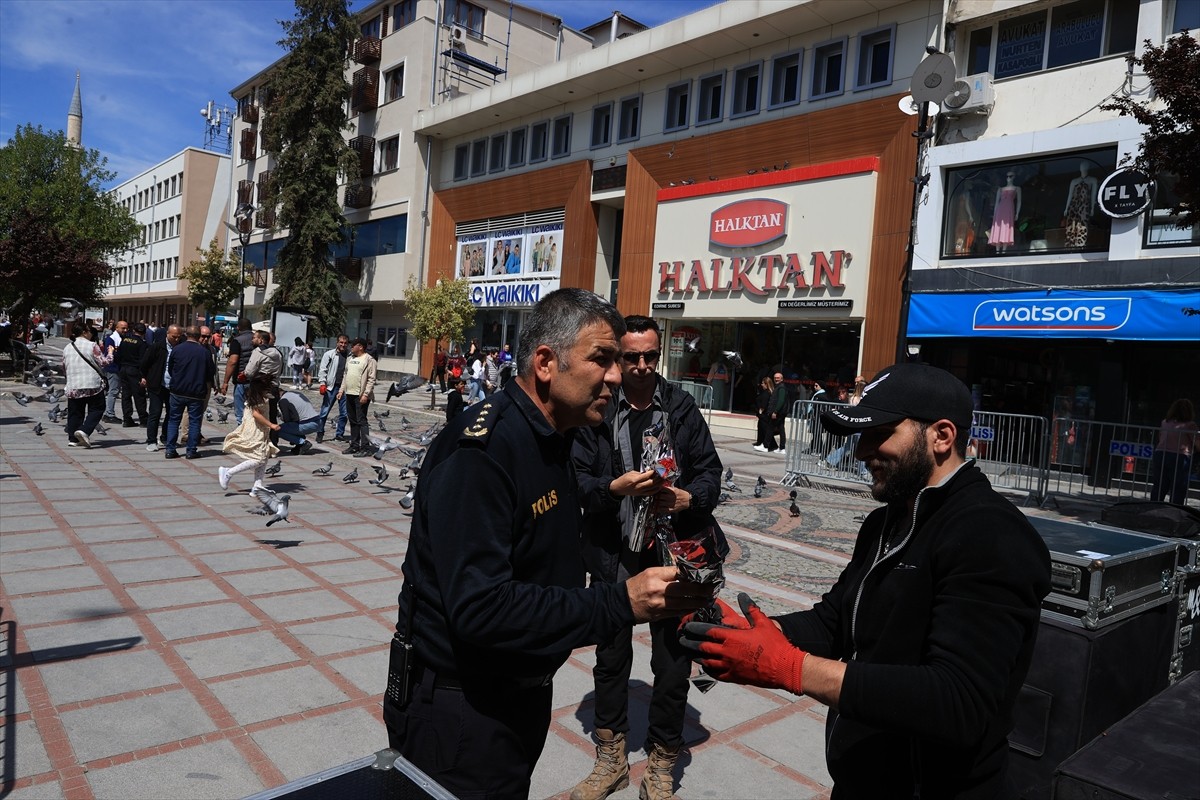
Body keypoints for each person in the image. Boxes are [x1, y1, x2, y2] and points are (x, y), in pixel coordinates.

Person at [384, 289, 714, 799]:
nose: (616, 375)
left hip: (514, 695)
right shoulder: (486, 452)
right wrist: (619, 602)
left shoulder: (554, 435)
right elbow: (482, 608)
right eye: (602, 359)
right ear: (545, 363)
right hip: (459, 707)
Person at [682, 363, 1051, 799]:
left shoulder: (991, 535)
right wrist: (760, 634)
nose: (861, 451)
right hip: (862, 779)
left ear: (942, 436)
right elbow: (838, 620)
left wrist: (789, 667)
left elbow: (959, 701)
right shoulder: (884, 521)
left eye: (880, 434)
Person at [570, 315, 725, 800]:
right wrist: (609, 489)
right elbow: (576, 477)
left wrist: (687, 499)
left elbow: (709, 473)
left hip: (670, 553)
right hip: (615, 552)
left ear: (659, 356)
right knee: (610, 658)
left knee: (673, 661)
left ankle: (662, 760)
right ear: (618, 357)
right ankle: (611, 757)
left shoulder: (680, 408)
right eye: (629, 356)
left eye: (649, 356)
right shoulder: (600, 408)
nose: (640, 366)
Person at [219, 375, 280, 497]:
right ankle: (228, 472)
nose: (267, 391)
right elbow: (256, 415)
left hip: (262, 430)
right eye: (265, 389)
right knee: (259, 459)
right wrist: (271, 425)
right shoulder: (256, 399)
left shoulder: (262, 397)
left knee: (264, 456)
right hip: (255, 430)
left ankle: (257, 486)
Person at [163, 327, 216, 460]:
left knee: (174, 420)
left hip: (178, 390)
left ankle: (170, 449)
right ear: (198, 336)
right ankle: (191, 450)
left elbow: (170, 368)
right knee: (194, 422)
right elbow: (211, 372)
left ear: (186, 335)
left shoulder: (177, 349)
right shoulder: (204, 352)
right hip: (196, 392)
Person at [62, 322, 111, 448]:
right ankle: (84, 430)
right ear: (84, 332)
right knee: (98, 408)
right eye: (89, 331)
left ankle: (73, 438)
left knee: (75, 412)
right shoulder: (91, 345)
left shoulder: (68, 347)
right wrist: (110, 352)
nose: (90, 334)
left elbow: (64, 367)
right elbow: (104, 362)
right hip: (91, 384)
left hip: (73, 384)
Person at [140, 324, 183, 452]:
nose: (176, 339)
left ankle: (165, 437)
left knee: (171, 414)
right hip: (157, 385)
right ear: (167, 334)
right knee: (155, 413)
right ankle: (151, 440)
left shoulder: (181, 347)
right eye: (174, 336)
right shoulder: (157, 347)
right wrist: (144, 377)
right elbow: (144, 363)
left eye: (178, 337)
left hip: (173, 386)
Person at [1149, 398, 1197, 504]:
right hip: (1179, 456)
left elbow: (1160, 436)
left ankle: (1152, 508)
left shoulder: (1164, 422)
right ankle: (1174, 510)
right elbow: (1197, 442)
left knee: (1159, 485)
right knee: (1178, 487)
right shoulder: (1190, 425)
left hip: (1160, 453)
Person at [337, 338, 377, 456]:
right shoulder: (350, 358)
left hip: (361, 395)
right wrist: (341, 390)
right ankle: (354, 445)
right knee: (353, 420)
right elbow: (345, 375)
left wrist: (366, 394)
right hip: (349, 393)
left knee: (361, 421)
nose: (351, 347)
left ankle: (365, 447)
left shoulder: (369, 360)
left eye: (353, 345)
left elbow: (371, 378)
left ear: (360, 347)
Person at [220, 319, 255, 424]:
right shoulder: (258, 339)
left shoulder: (237, 340)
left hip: (242, 380)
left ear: (238, 328)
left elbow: (233, 361)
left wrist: (225, 382)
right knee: (254, 412)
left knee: (241, 414)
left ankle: (242, 436)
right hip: (256, 380)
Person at [316, 335, 350, 443]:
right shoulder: (330, 354)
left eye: (345, 343)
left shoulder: (350, 356)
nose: (343, 345)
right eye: (341, 342)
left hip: (345, 388)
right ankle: (320, 432)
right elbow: (323, 369)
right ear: (337, 342)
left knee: (344, 413)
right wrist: (322, 383)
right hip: (331, 386)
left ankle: (339, 433)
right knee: (324, 411)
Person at [115, 322, 148, 427]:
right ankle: (143, 419)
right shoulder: (142, 344)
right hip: (134, 371)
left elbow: (118, 355)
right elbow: (143, 361)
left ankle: (127, 419)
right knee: (139, 396)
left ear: (134, 331)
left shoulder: (124, 340)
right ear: (144, 333)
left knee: (126, 395)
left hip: (123, 369)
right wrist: (143, 376)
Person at [276, 390, 321, 455]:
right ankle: (299, 443)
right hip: (316, 421)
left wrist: (279, 415)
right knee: (292, 425)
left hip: (307, 423)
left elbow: (288, 419)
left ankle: (302, 442)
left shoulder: (283, 400)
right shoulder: (295, 393)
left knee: (277, 430)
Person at [989, 171, 1021, 253]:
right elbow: (996, 202)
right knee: (998, 228)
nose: (1008, 178)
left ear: (1014, 177)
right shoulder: (1000, 189)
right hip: (1000, 210)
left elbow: (1019, 202)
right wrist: (994, 214)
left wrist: (1017, 213)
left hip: (1009, 209)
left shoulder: (1017, 188)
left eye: (1010, 176)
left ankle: (1003, 251)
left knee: (1007, 227)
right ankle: (997, 251)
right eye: (1007, 176)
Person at [101, 320, 125, 421]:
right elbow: (110, 353)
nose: (125, 330)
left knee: (113, 390)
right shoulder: (111, 339)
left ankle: (108, 412)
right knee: (113, 391)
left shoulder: (121, 338)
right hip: (112, 368)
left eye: (126, 328)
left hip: (117, 368)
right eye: (122, 328)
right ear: (116, 328)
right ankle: (109, 414)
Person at [754, 375, 777, 453]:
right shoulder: (767, 392)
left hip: (764, 415)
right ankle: (761, 442)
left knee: (765, 430)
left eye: (763, 383)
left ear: (767, 384)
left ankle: (769, 445)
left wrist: (760, 412)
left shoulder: (766, 394)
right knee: (761, 428)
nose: (762, 384)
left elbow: (763, 405)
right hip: (764, 415)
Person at [769, 370, 789, 456]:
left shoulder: (781, 388)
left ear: (782, 379)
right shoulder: (779, 387)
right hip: (780, 412)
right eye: (775, 378)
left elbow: (781, 400)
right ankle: (782, 447)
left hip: (779, 413)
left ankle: (766, 445)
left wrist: (775, 411)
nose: (776, 379)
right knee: (781, 429)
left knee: (770, 428)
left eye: (778, 378)